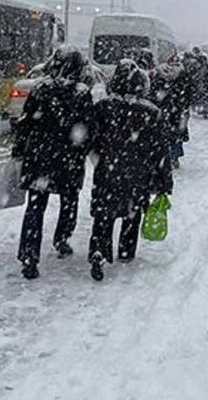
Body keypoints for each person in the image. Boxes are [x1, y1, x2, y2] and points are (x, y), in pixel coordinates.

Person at [12, 47, 94, 280]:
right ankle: (62, 238)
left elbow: (26, 123)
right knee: (69, 200)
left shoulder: (40, 89)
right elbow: (87, 128)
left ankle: (29, 254)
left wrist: (19, 150)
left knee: (35, 206)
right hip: (68, 158)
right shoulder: (81, 93)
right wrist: (82, 149)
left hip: (39, 157)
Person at [87, 60, 173, 281]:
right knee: (131, 213)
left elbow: (91, 138)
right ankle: (125, 251)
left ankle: (99, 250)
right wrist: (164, 181)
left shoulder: (103, 107)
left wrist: (99, 156)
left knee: (103, 215)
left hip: (107, 170)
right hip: (137, 173)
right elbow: (161, 150)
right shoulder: (151, 112)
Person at [152, 54, 194, 169]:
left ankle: (164, 155)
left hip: (163, 108)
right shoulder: (184, 74)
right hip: (178, 109)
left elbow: (154, 91)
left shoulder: (160, 73)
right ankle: (174, 156)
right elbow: (190, 92)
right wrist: (184, 104)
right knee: (177, 134)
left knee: (163, 133)